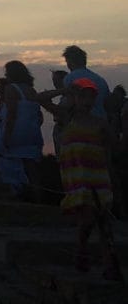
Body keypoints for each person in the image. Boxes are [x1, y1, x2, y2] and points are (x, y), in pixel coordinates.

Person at [59, 77, 121, 279]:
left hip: (99, 176)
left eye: (90, 97)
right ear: (75, 98)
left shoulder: (101, 123)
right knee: (87, 220)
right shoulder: (66, 119)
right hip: (78, 178)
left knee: (102, 221)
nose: (87, 100)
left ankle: (107, 265)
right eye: (82, 96)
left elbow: (116, 147)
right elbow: (40, 98)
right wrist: (65, 90)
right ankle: (82, 252)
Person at [0, 61, 44, 196]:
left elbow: (12, 114)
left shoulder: (11, 88)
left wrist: (6, 135)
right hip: (32, 132)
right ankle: (39, 196)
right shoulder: (31, 90)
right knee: (30, 167)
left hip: (15, 131)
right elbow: (38, 115)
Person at [61, 45, 109, 118]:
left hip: (81, 122)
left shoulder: (70, 78)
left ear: (70, 61)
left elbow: (68, 102)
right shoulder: (100, 80)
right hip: (101, 120)